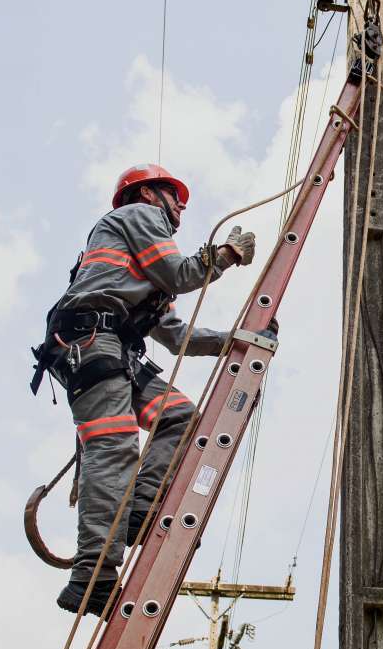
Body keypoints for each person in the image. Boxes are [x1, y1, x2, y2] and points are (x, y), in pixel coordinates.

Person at [32, 163, 261, 615]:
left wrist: (238, 339)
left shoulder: (144, 279)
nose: (179, 208)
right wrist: (227, 254)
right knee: (113, 448)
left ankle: (136, 511)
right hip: (92, 344)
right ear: (148, 193)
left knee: (179, 417)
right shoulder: (139, 216)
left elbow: (178, 337)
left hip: (114, 351)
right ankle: (91, 576)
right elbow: (182, 273)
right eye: (174, 196)